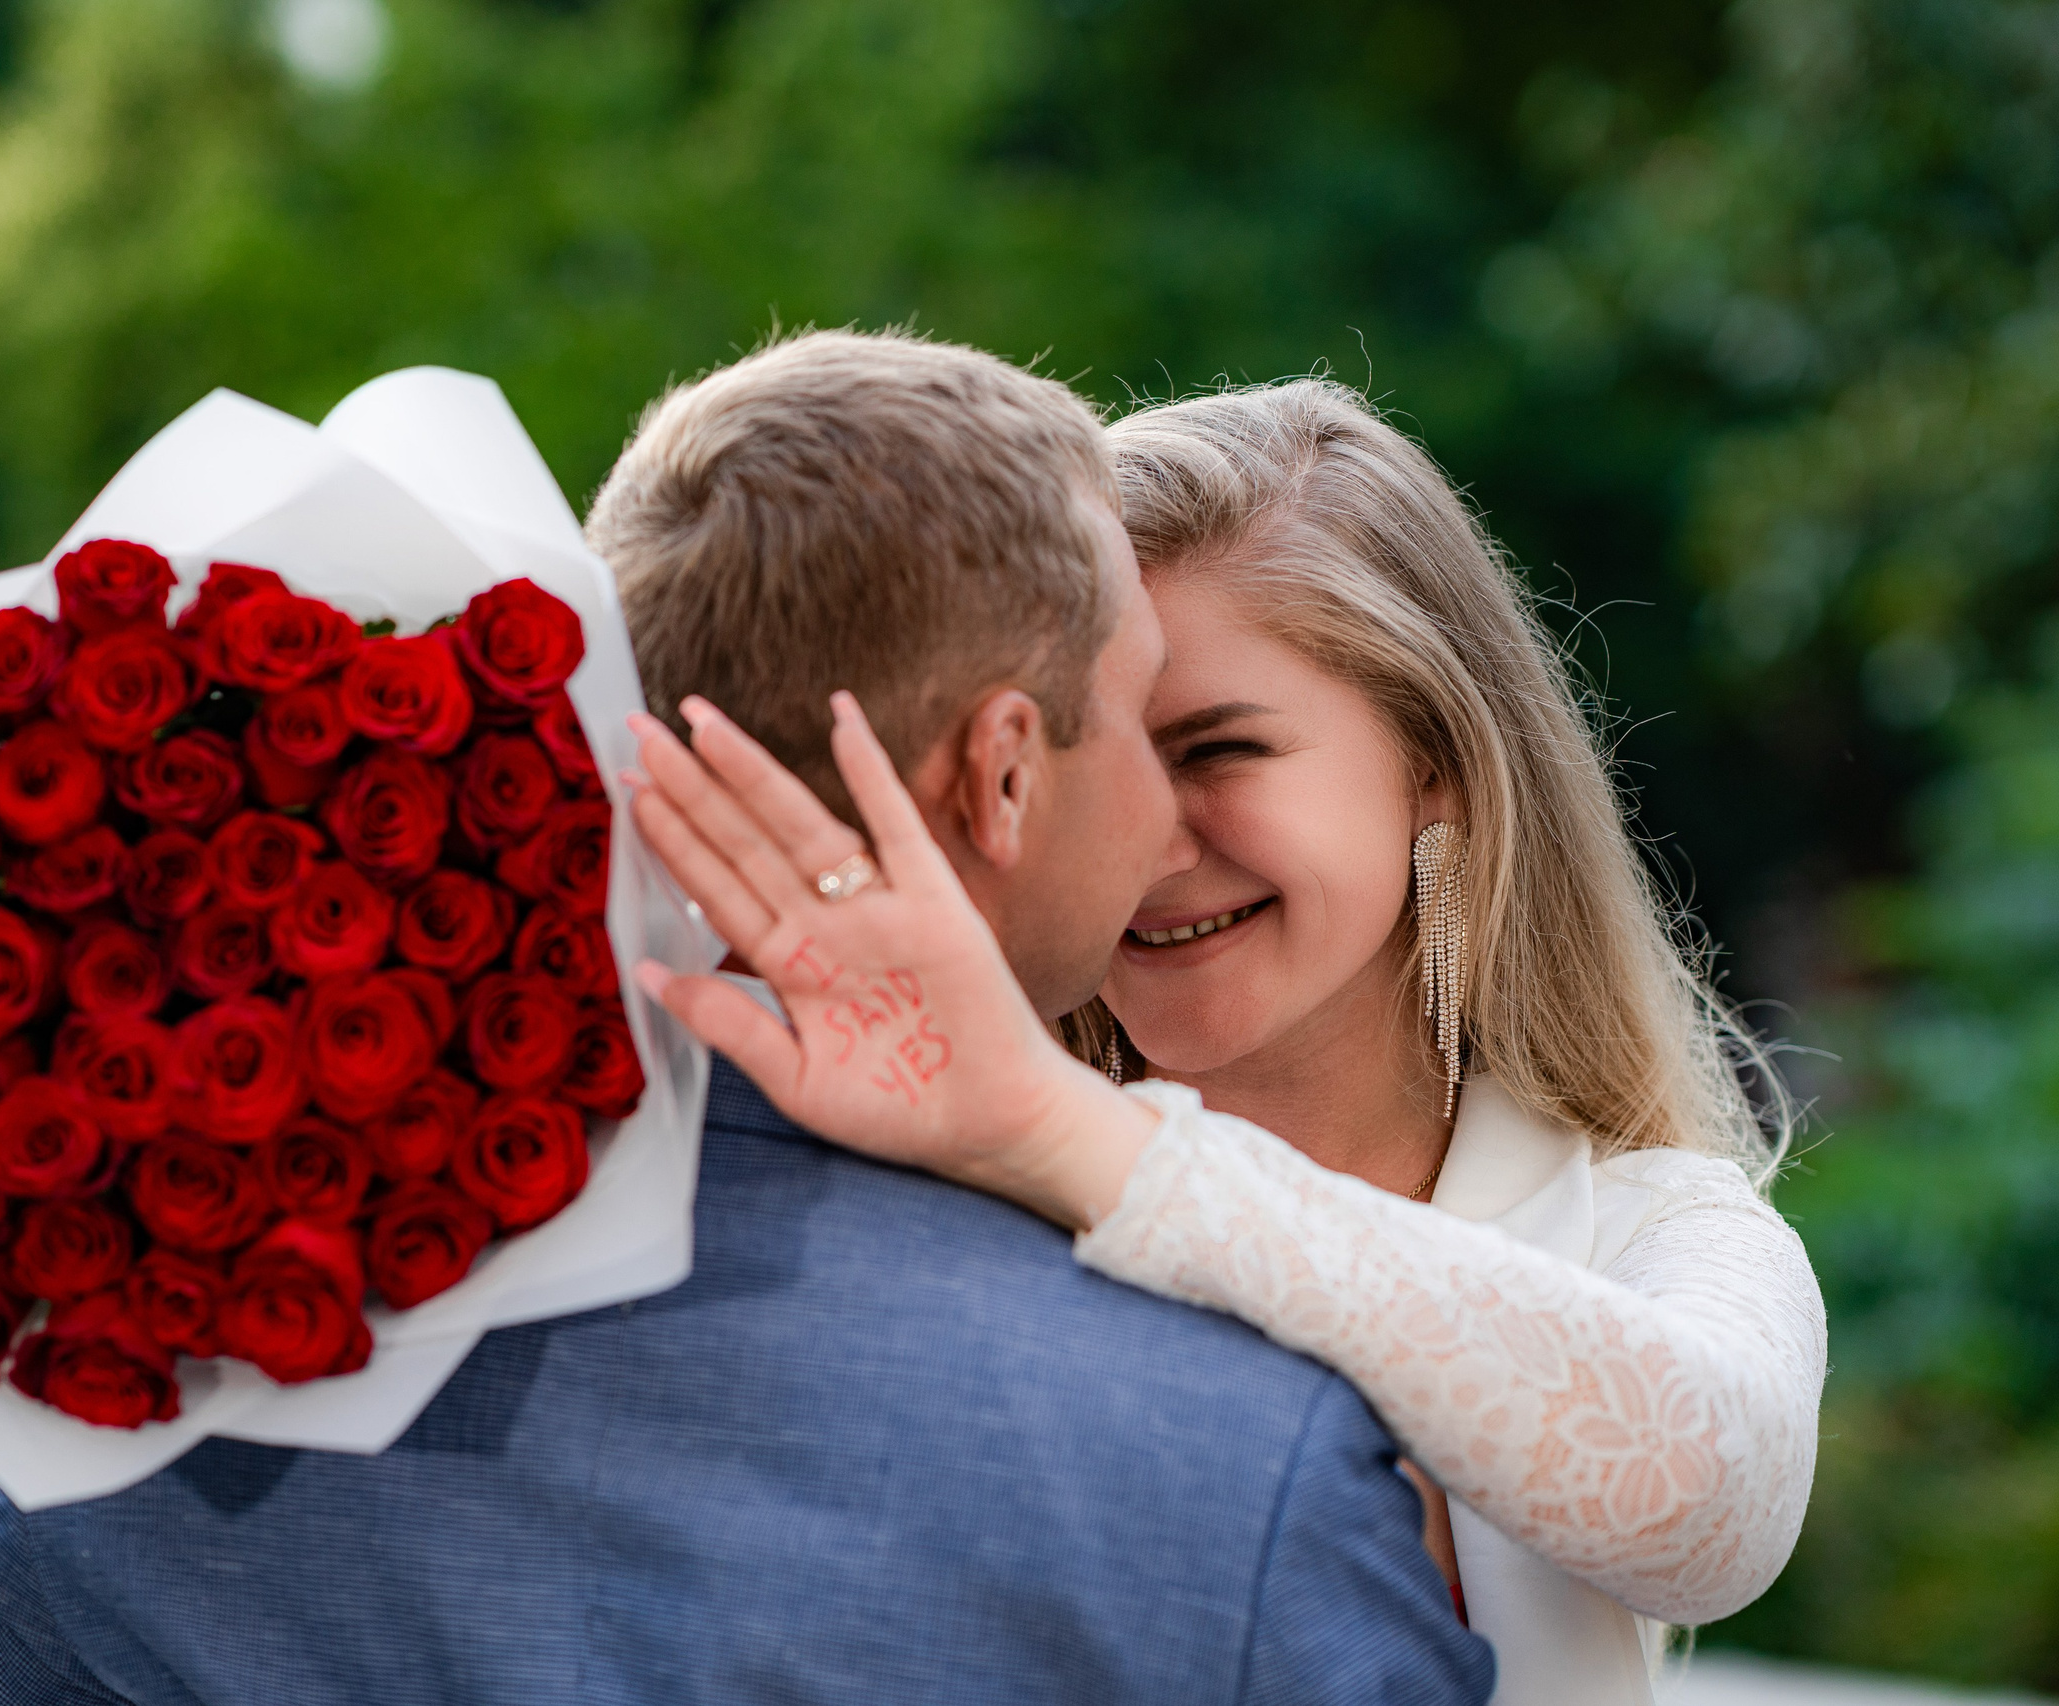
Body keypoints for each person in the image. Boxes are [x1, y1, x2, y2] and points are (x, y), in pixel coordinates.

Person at [0, 336, 1492, 1706]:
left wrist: (59, 1109)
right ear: (1004, 773)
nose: (1169, 818)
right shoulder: (1239, 1466)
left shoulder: (209, 1343)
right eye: (1139, 717)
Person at [626, 377, 1827, 1706]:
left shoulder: (1655, 1224)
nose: (1146, 833)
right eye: (1098, 749)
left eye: (1217, 750)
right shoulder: (913, 1186)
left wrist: (1067, 1132)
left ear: (1437, 757)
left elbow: (1712, 1502)